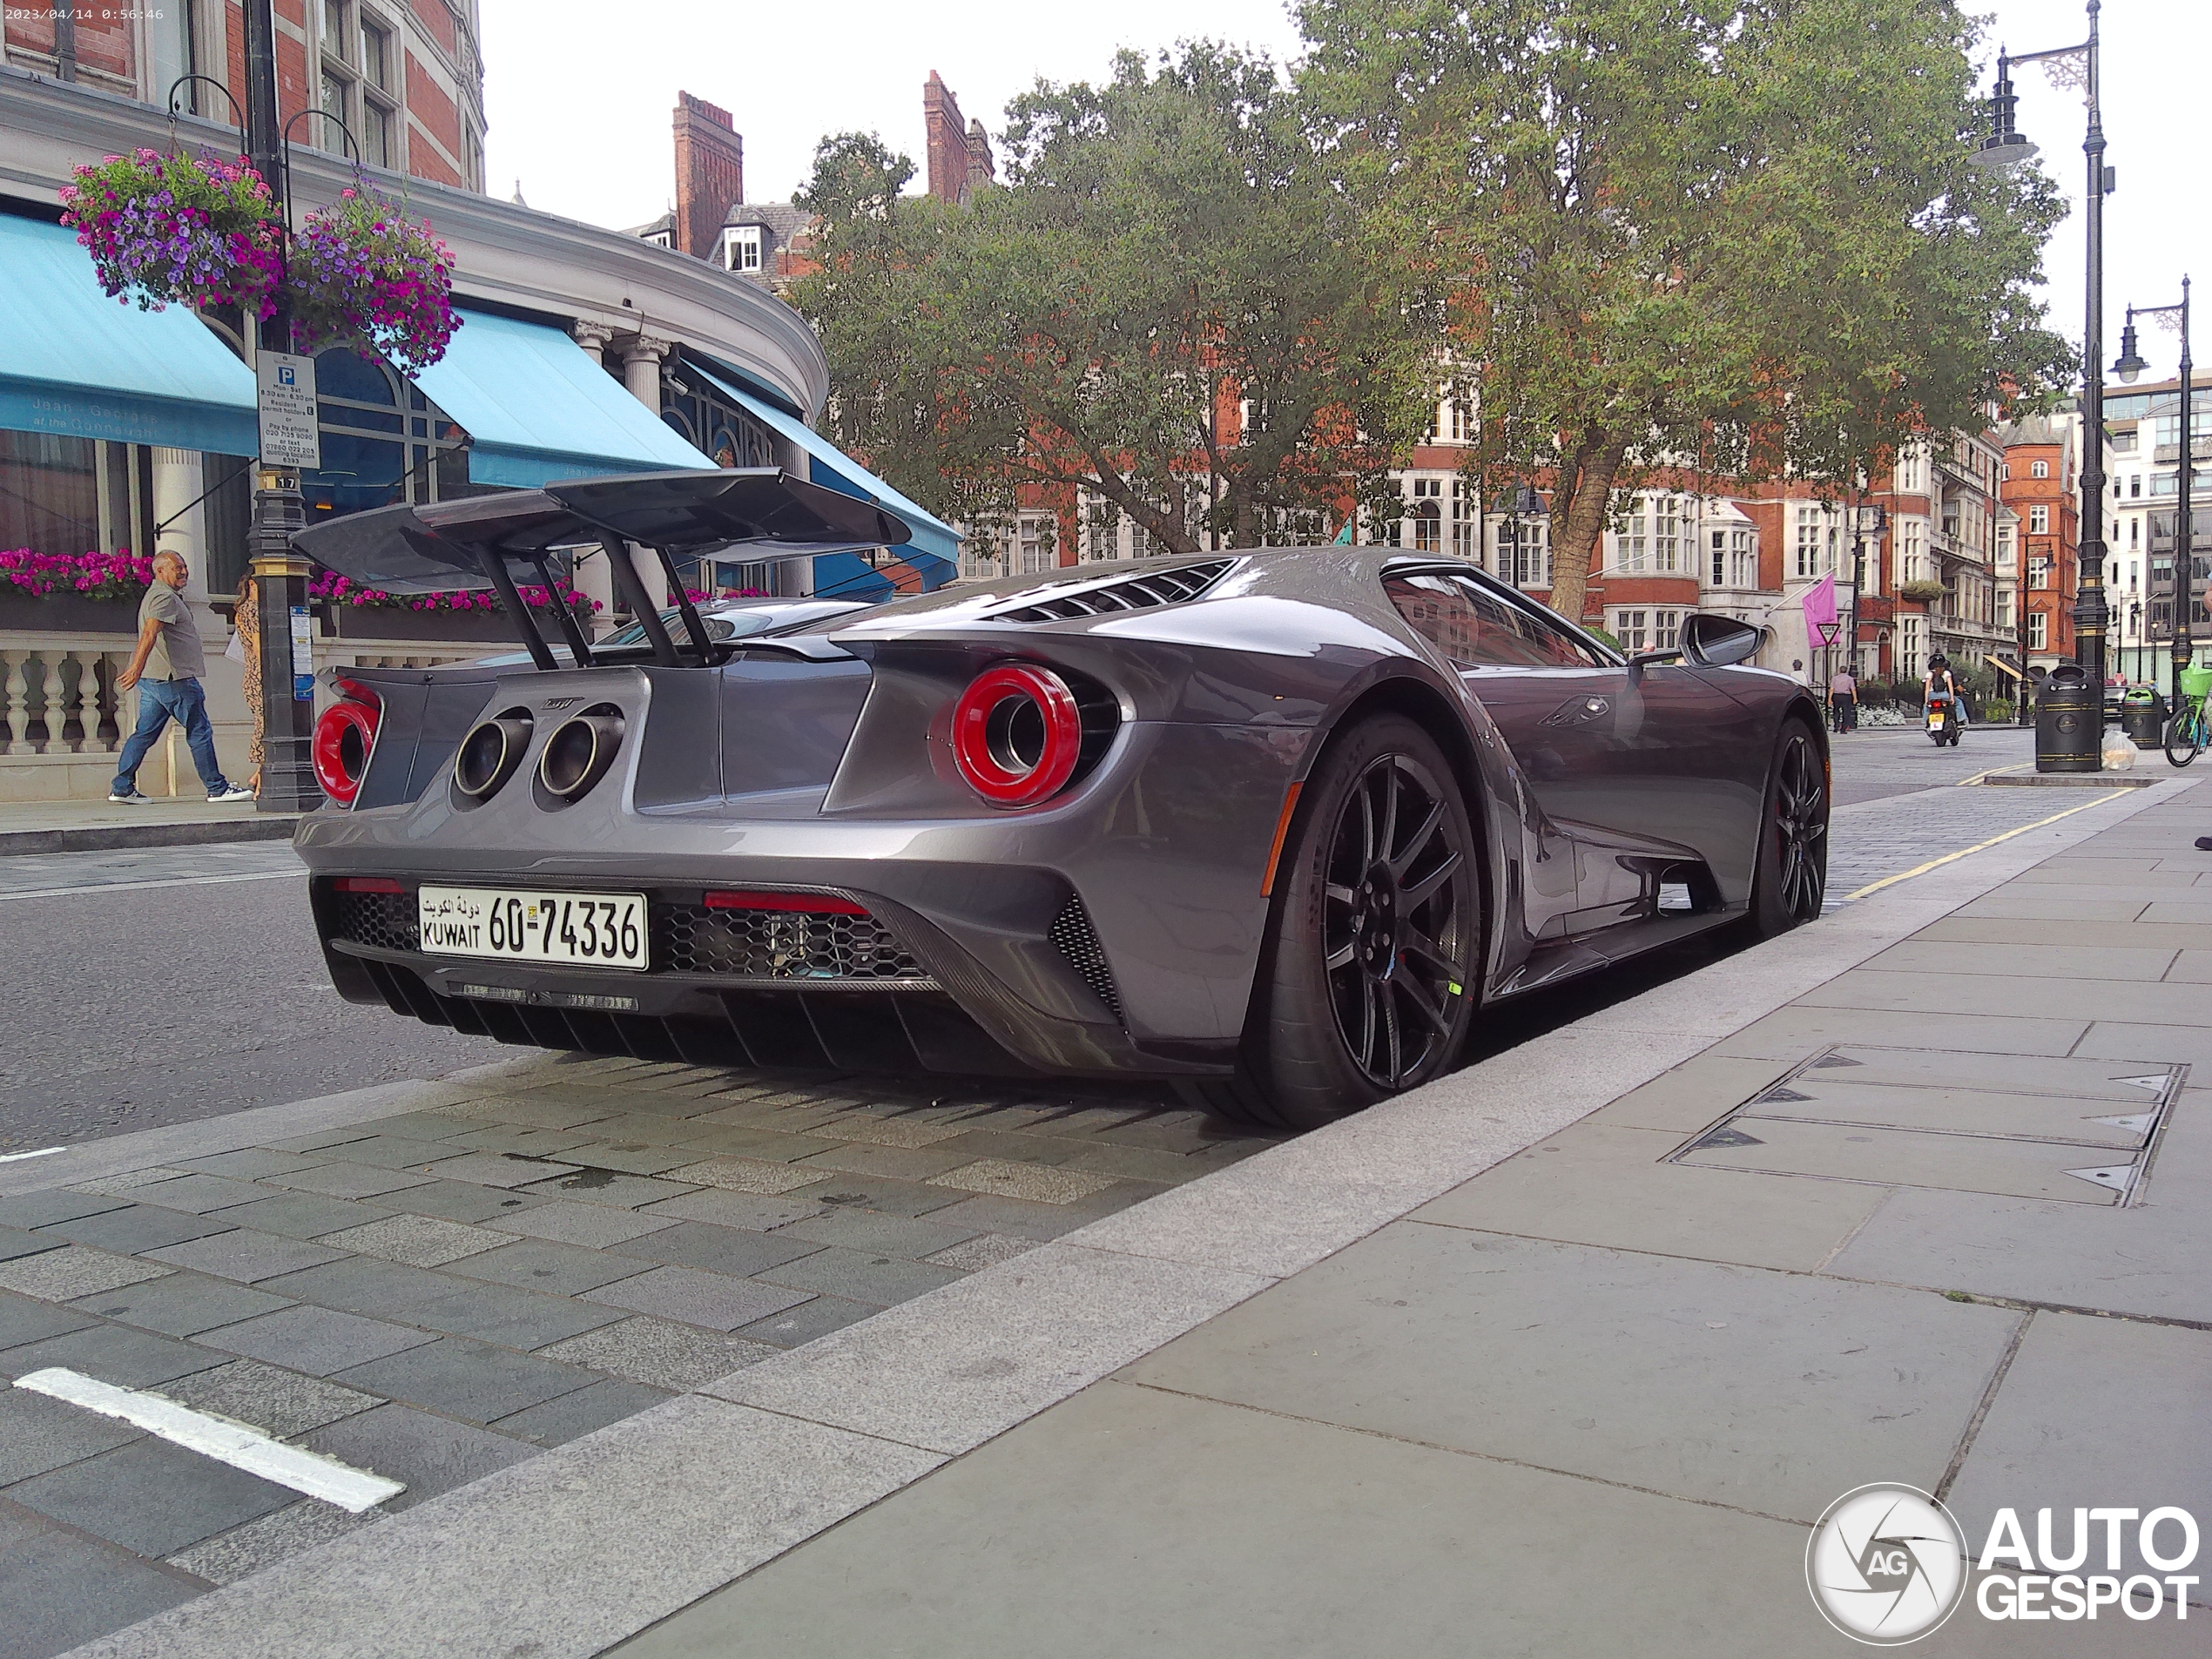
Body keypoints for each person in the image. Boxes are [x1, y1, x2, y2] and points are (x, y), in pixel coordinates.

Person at [110, 551, 253, 804]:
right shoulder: (163, 596)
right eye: (178, 567)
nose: (184, 571)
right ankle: (216, 788)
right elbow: (149, 634)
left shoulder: (162, 595)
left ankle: (122, 788)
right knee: (199, 731)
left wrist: (139, 670)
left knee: (144, 733)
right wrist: (135, 668)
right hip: (173, 678)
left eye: (184, 566)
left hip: (158, 678)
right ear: (160, 571)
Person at [229, 571, 264, 795]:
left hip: (252, 674)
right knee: (266, 725)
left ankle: (258, 776)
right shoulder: (252, 610)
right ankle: (262, 781)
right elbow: (259, 647)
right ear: (252, 584)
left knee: (265, 723)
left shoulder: (243, 611)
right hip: (260, 675)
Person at [1827, 665, 1858, 733]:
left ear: (1839, 671)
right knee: (1846, 712)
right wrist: (1855, 698)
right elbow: (1853, 689)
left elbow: (1832, 689)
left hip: (1837, 695)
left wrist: (1829, 699)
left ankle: (1836, 726)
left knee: (1836, 711)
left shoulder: (1835, 678)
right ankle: (1843, 728)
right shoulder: (1850, 679)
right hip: (1846, 696)